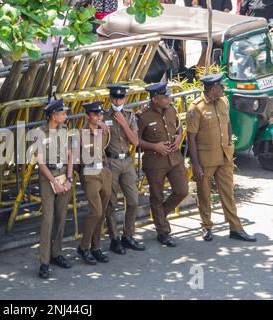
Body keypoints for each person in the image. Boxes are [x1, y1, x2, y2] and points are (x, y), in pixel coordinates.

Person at [186, 73, 257, 242]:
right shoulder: (196, 108)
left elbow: (228, 124)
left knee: (228, 193)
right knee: (204, 194)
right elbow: (191, 138)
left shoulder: (223, 101)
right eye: (221, 87)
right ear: (212, 89)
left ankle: (235, 228)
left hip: (224, 156)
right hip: (205, 159)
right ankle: (206, 226)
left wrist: (230, 144)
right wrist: (195, 164)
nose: (223, 89)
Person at [137, 83, 189, 247]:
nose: (168, 99)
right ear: (155, 99)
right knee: (157, 196)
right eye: (165, 97)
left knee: (182, 190)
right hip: (155, 161)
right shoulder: (143, 116)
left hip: (174, 158)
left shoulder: (172, 109)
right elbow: (135, 140)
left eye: (168, 96)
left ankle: (160, 216)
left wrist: (179, 138)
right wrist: (154, 146)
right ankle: (163, 231)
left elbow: (178, 128)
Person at [104, 84, 145, 255]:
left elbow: (135, 142)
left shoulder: (129, 116)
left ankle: (128, 235)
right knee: (111, 202)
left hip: (127, 161)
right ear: (110, 98)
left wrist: (123, 123)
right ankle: (114, 238)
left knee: (134, 200)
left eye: (120, 98)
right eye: (114, 98)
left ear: (125, 99)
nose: (117, 101)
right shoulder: (104, 116)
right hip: (111, 161)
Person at [35, 99, 74, 279]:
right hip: (48, 177)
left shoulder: (64, 130)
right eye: (63, 113)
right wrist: (55, 182)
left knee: (61, 216)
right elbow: (41, 163)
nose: (65, 116)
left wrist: (70, 178)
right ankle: (44, 261)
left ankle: (57, 253)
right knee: (48, 219)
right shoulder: (40, 133)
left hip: (63, 175)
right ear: (53, 115)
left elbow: (70, 155)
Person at [77, 101, 112, 265]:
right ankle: (84, 246)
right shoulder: (80, 134)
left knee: (102, 212)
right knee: (96, 212)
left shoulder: (104, 130)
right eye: (96, 114)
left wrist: (102, 124)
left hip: (104, 172)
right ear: (87, 116)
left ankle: (96, 247)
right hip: (90, 173)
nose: (99, 117)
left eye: (101, 114)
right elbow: (75, 160)